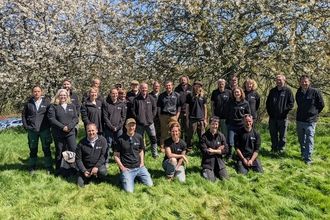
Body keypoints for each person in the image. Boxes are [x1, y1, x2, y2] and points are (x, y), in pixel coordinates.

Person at [114, 118, 153, 193]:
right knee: (129, 191)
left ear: (135, 126)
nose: (131, 127)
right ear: (126, 126)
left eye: (133, 125)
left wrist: (142, 163)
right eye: (129, 126)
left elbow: (141, 150)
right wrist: (122, 167)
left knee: (150, 185)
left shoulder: (139, 137)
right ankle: (124, 177)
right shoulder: (120, 139)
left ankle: (135, 177)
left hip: (139, 167)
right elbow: (115, 155)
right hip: (127, 169)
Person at [22, 86, 53, 176]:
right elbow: (24, 115)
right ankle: (32, 166)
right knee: (33, 149)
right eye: (35, 91)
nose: (36, 93)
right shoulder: (28, 103)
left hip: (44, 129)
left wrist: (50, 126)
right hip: (32, 130)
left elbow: (51, 115)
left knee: (46, 148)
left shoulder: (46, 102)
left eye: (38, 91)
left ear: (41, 92)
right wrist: (26, 126)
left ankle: (49, 166)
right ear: (32, 92)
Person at [296, 75, 324, 165]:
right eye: (302, 82)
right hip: (300, 119)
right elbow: (298, 103)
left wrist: (314, 113)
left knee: (309, 139)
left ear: (309, 82)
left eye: (306, 81)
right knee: (301, 140)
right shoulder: (298, 92)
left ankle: (308, 158)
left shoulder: (315, 92)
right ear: (300, 83)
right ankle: (304, 153)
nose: (304, 83)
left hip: (311, 121)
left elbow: (321, 105)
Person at [48, 89, 78, 171]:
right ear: (58, 96)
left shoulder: (72, 106)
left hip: (70, 132)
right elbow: (52, 119)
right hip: (58, 133)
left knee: (73, 149)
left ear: (67, 96)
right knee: (60, 150)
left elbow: (75, 118)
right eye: (61, 95)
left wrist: (69, 127)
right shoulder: (53, 106)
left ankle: (72, 168)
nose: (63, 97)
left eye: (64, 95)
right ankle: (59, 169)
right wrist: (62, 127)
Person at [266, 74, 294, 153]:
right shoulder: (272, 91)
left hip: (283, 118)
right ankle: (274, 148)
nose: (278, 81)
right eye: (277, 80)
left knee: (282, 135)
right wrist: (270, 113)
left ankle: (281, 149)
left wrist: (284, 112)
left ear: (284, 81)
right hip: (272, 117)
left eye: (280, 80)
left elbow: (291, 103)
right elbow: (268, 103)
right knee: (273, 134)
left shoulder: (288, 91)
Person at [132, 82, 158, 158]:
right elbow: (133, 110)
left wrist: (151, 116)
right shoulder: (136, 99)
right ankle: (141, 154)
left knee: (153, 138)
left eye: (145, 88)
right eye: (142, 88)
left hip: (150, 123)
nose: (144, 89)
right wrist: (137, 118)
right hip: (140, 123)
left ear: (148, 88)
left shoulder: (151, 98)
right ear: (140, 89)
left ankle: (155, 154)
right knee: (140, 140)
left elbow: (155, 108)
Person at [200, 116, 229, 182]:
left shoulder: (221, 136)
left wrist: (214, 151)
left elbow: (226, 150)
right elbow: (204, 151)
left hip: (219, 162)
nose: (214, 126)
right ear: (210, 124)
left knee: (226, 179)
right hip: (208, 163)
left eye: (216, 124)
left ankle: (216, 171)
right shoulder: (204, 137)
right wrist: (219, 150)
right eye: (213, 124)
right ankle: (205, 171)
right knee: (211, 180)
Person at [225, 87, 251, 160]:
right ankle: (229, 155)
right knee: (230, 142)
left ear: (241, 93)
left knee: (241, 142)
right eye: (235, 92)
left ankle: (240, 156)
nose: (237, 93)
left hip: (241, 126)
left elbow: (248, 114)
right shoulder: (230, 102)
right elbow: (226, 113)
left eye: (238, 92)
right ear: (233, 94)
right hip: (231, 125)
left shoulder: (245, 103)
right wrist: (228, 122)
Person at [103, 88, 127, 166]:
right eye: (113, 93)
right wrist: (111, 127)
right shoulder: (106, 104)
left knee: (119, 144)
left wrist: (118, 126)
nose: (115, 95)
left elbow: (123, 117)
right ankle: (106, 161)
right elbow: (105, 117)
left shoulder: (122, 104)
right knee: (108, 144)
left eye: (116, 93)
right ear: (110, 94)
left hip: (119, 128)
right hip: (109, 128)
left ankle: (119, 160)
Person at [157, 81, 181, 153]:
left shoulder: (177, 95)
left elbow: (179, 106)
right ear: (165, 86)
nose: (168, 87)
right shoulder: (161, 95)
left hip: (173, 116)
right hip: (164, 116)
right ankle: (162, 148)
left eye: (169, 85)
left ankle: (176, 146)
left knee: (175, 132)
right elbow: (159, 107)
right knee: (164, 133)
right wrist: (160, 116)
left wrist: (177, 116)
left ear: (172, 86)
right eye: (167, 86)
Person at [185, 80, 207, 153]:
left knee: (202, 136)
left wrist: (205, 119)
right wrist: (187, 119)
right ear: (194, 87)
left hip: (201, 119)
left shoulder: (203, 96)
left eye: (199, 86)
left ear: (201, 88)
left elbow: (205, 108)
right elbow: (187, 108)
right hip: (192, 119)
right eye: (196, 86)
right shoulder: (189, 96)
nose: (197, 88)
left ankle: (202, 149)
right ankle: (189, 149)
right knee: (190, 136)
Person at [174, 75, 192, 141]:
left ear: (187, 80)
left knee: (188, 129)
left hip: (189, 112)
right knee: (179, 129)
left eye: (184, 80)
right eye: (181, 80)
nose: (183, 81)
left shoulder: (191, 89)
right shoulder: (177, 89)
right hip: (179, 112)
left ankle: (187, 145)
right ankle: (179, 143)